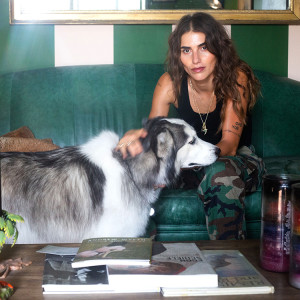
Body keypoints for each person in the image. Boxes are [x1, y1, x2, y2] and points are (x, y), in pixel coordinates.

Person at [116, 12, 265, 240]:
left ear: (218, 49)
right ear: (179, 55)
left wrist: (182, 163)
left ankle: (229, 263)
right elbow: (155, 138)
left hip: (234, 160)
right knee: (142, 170)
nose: (195, 59)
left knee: (218, 173)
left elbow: (229, 145)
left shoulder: (237, 78)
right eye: (186, 50)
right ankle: (135, 260)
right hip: (189, 161)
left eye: (203, 48)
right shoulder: (169, 84)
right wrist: (134, 138)